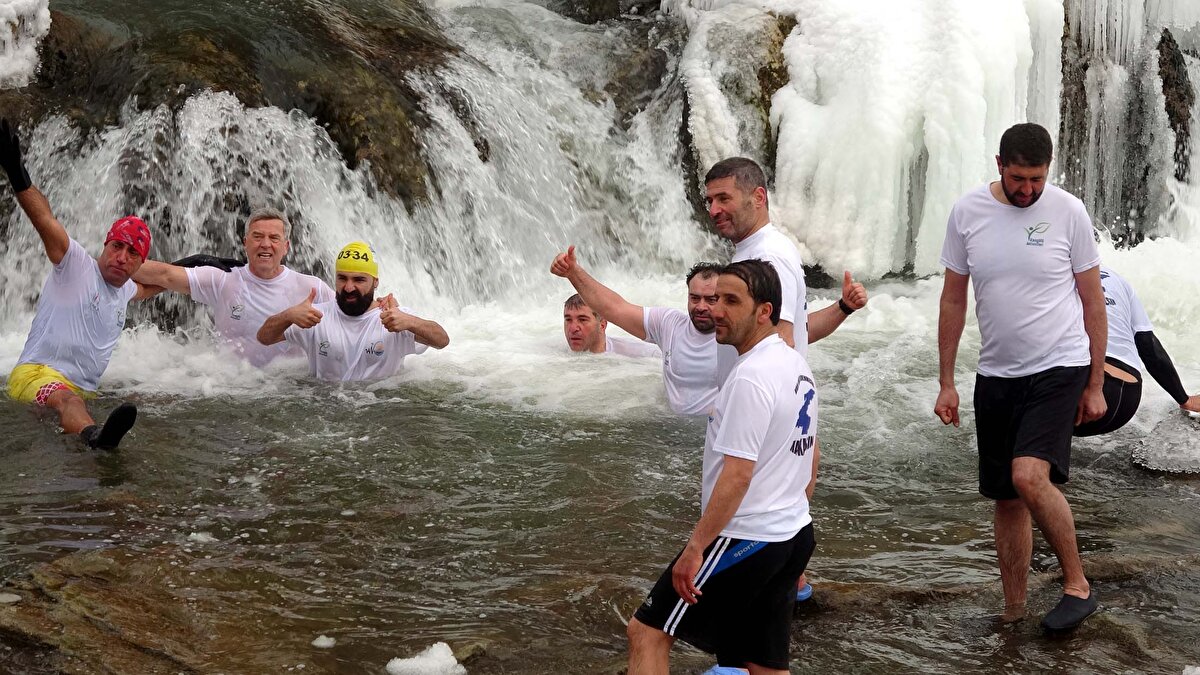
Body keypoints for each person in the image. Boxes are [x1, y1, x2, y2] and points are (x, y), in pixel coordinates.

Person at [935, 122, 1108, 632]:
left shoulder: (1068, 211)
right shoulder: (968, 212)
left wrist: (1095, 383)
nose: (1028, 189)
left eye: (1037, 178)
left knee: (1028, 475)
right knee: (1006, 499)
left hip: (1060, 364)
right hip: (996, 373)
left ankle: (1077, 585)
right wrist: (947, 380)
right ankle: (1014, 609)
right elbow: (952, 298)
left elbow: (1092, 298)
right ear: (999, 166)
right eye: (1018, 179)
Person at [626, 259, 817, 675]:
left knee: (648, 631)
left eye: (731, 301)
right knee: (762, 664)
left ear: (764, 311)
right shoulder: (795, 363)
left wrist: (695, 549)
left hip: (746, 537)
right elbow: (810, 449)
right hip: (793, 532)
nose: (715, 311)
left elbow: (737, 474)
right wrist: (794, 509)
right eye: (714, 300)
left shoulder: (750, 377)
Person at [705, 156, 869, 602]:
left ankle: (739, 654)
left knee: (745, 534)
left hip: (762, 415)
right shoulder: (768, 251)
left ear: (758, 197)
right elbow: (796, 333)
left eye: (724, 198)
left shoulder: (765, 257)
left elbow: (780, 338)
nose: (714, 208)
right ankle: (786, 588)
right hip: (782, 409)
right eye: (709, 200)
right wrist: (844, 309)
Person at [1, 119, 161, 450]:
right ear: (105, 245)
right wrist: (17, 175)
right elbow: (45, 220)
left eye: (131, 253)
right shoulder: (75, 264)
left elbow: (157, 284)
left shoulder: (127, 290)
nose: (120, 257)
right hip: (36, 376)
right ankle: (96, 441)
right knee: (70, 403)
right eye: (116, 246)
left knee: (135, 397)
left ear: (138, 264)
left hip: (81, 389)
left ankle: (86, 426)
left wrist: (199, 267)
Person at [132, 208, 335, 366]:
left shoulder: (311, 287)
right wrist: (108, 265)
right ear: (245, 242)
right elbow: (163, 275)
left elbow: (360, 316)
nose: (265, 244)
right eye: (257, 236)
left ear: (286, 247)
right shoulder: (223, 280)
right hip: (233, 387)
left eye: (274, 238)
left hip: (291, 390)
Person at [551, 248, 720, 414]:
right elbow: (614, 308)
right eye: (695, 298)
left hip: (714, 432)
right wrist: (573, 272)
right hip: (671, 430)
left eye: (711, 300)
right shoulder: (670, 323)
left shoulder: (738, 338)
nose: (701, 307)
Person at [256, 241, 448, 381]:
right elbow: (264, 337)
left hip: (383, 413)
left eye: (358, 280)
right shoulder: (315, 316)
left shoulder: (394, 318)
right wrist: (288, 315)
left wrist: (411, 322)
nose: (348, 287)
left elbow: (442, 340)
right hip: (327, 415)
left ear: (375, 282)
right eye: (342, 278)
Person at [1073, 266, 1200, 436]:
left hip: (1085, 391)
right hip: (1126, 398)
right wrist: (1184, 399)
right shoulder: (1117, 279)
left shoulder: (1050, 277)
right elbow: (1149, 346)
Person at [562, 294, 660, 358]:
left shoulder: (642, 354)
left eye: (582, 320)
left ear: (602, 325)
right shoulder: (554, 353)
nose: (573, 328)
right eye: (568, 319)